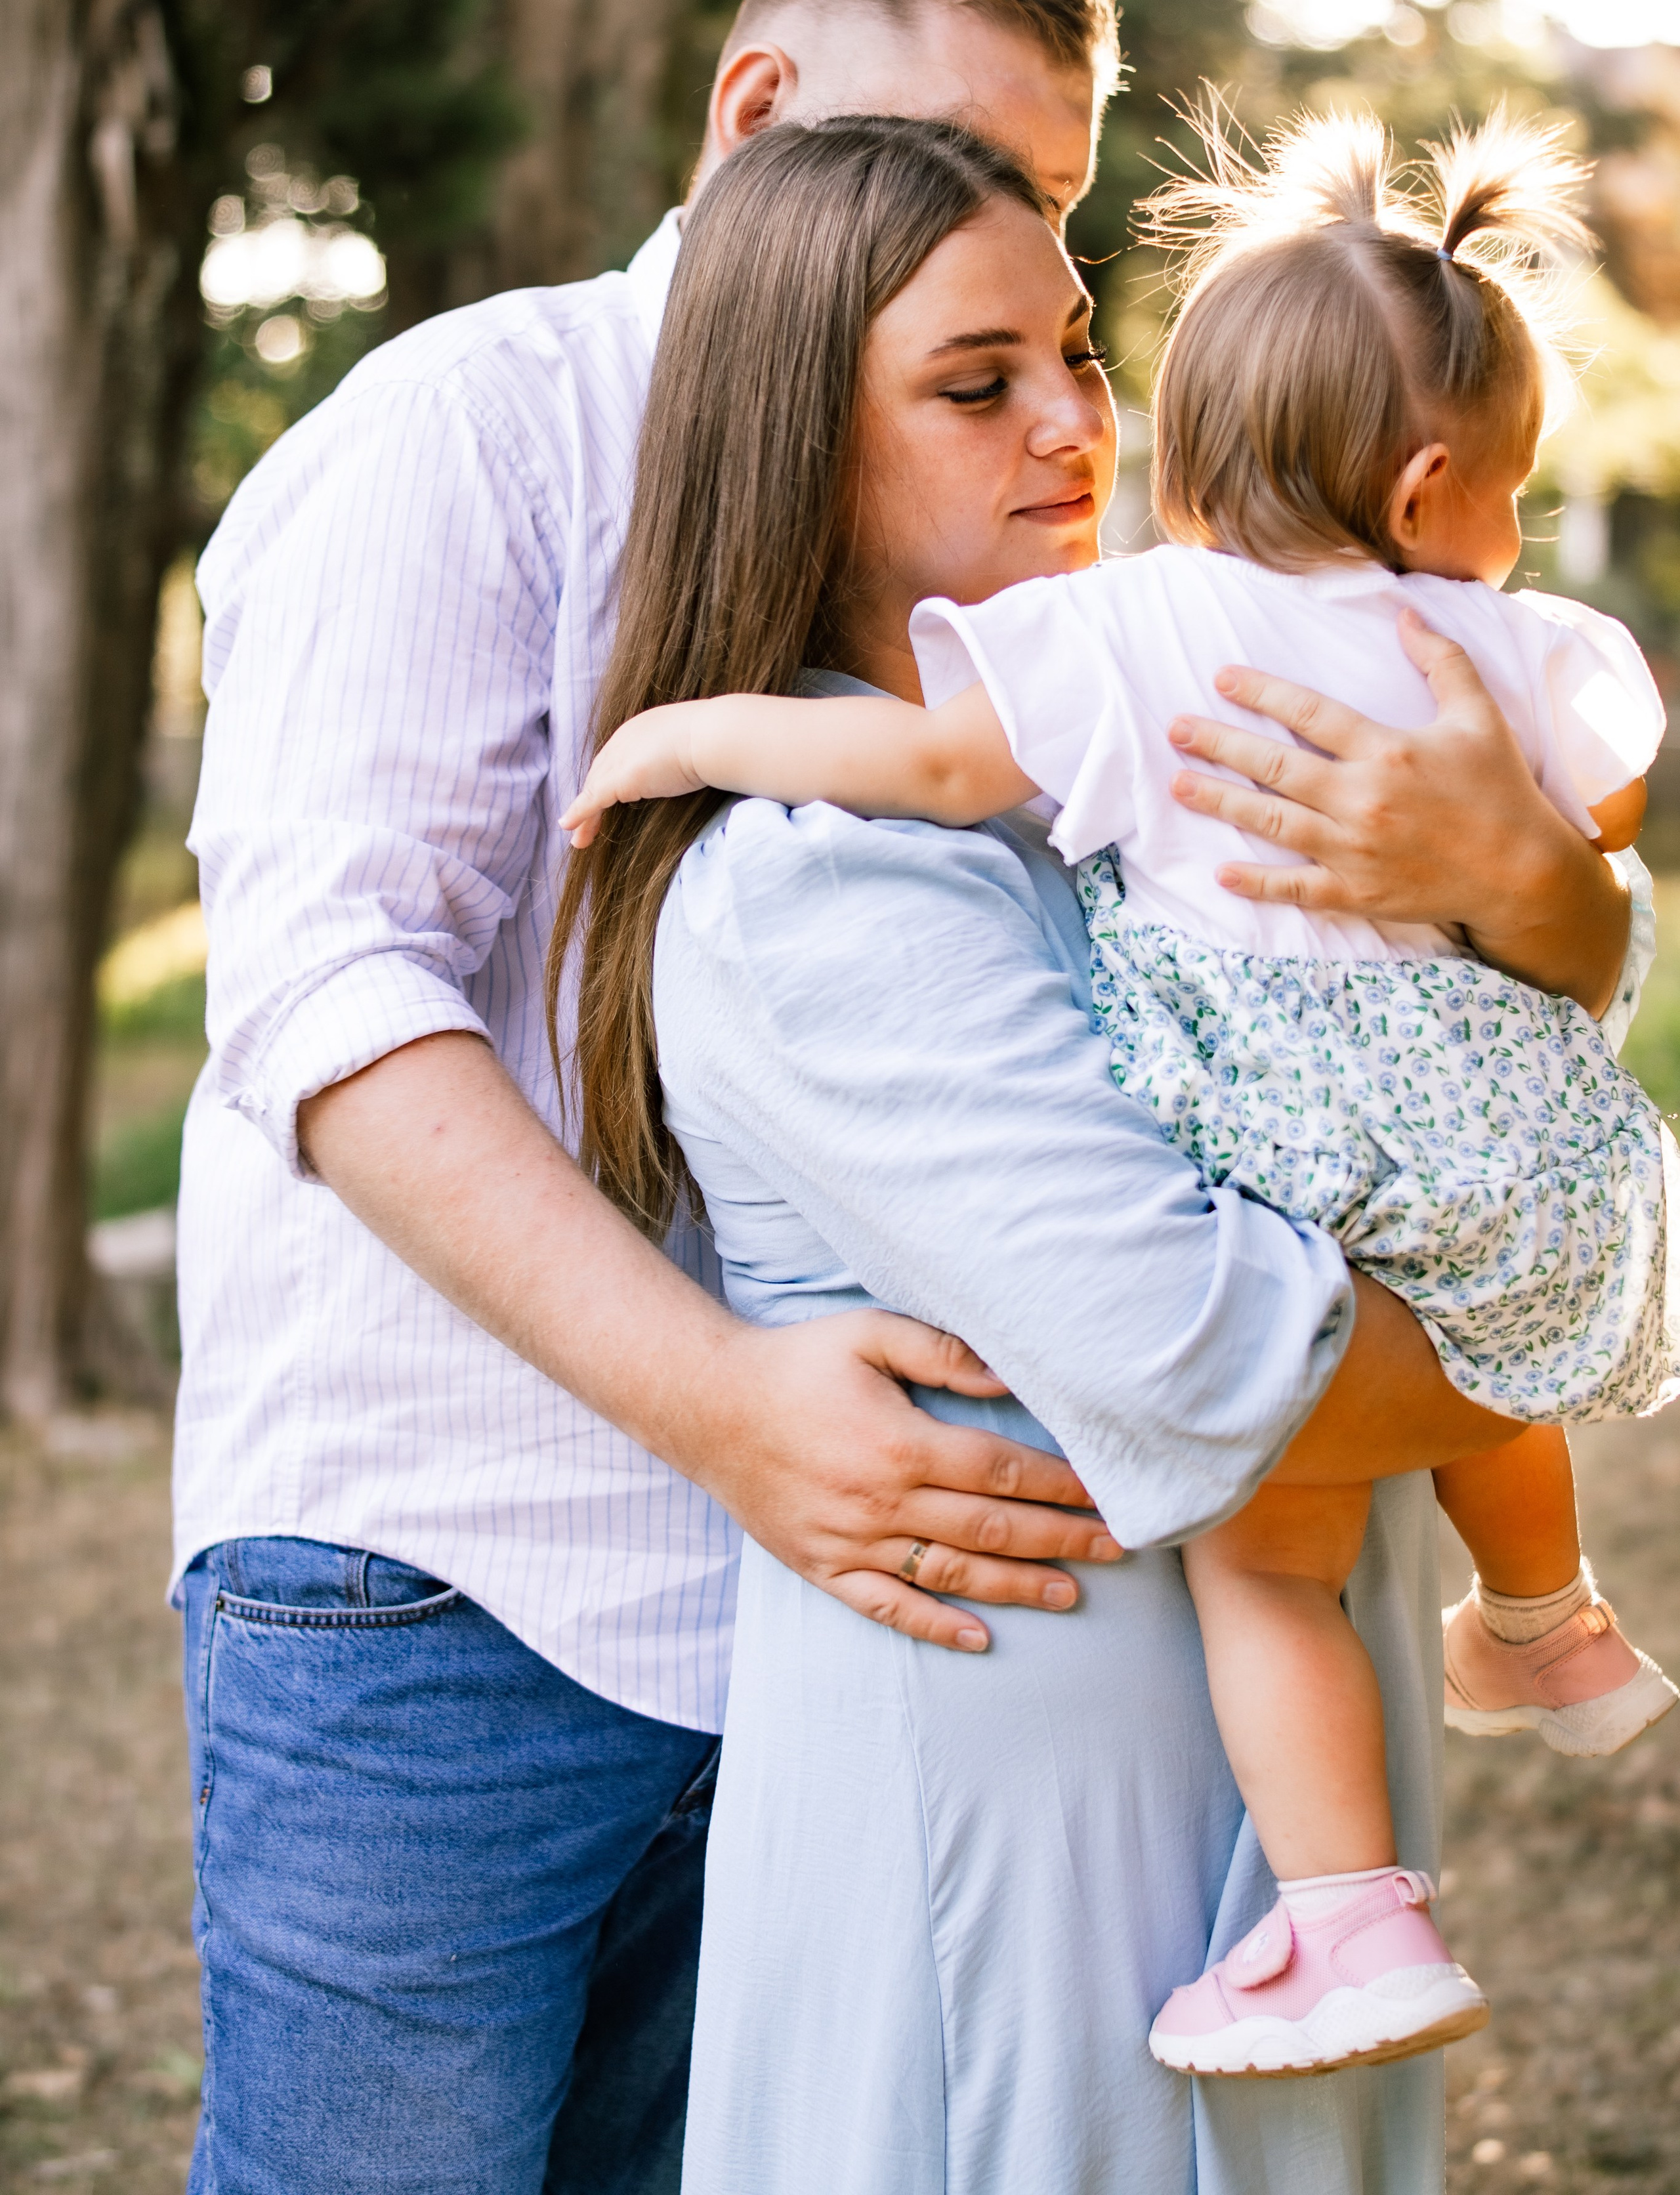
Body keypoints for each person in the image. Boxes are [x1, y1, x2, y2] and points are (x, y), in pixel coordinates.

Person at [551, 111, 1657, 2191]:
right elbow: (1220, 1362)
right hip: (1020, 1863)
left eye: (1078, 350)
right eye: (980, 384)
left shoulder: (1151, 771)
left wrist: (1546, 894)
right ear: (796, 432)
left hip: (1226, 1831)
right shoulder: (817, 887)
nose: (1074, 422)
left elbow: (1477, 1038)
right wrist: (1572, 1312)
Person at [174, 0, 1131, 2195]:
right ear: (756, 108)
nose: (978, 243)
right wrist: (727, 1410)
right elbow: (329, 995)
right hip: (447, 1594)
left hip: (821, 1631)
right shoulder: (469, 435)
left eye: (1044, 216)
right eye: (957, 163)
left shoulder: (979, 494)